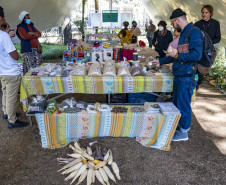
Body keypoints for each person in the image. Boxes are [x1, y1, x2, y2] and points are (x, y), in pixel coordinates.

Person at [152, 8, 203, 141]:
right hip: (180, 73)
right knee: (177, 102)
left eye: (173, 23)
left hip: (187, 75)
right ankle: (178, 126)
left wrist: (178, 55)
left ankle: (184, 131)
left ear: (178, 20)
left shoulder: (194, 32)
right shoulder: (184, 34)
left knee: (183, 103)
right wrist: (160, 61)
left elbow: (196, 55)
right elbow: (174, 55)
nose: (172, 26)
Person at [0, 6, 28, 129]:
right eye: (4, 17)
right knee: (11, 98)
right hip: (11, 72)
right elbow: (15, 56)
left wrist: (5, 29)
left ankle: (6, 113)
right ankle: (12, 121)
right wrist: (7, 34)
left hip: (2, 71)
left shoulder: (3, 34)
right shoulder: (3, 36)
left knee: (5, 93)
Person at [194, 5, 221, 90]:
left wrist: (208, 43)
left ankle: (197, 84)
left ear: (210, 13)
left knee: (202, 71)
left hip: (208, 52)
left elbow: (218, 38)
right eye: (202, 12)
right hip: (198, 50)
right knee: (194, 69)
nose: (204, 14)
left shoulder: (215, 23)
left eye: (206, 12)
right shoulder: (197, 24)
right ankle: (194, 85)